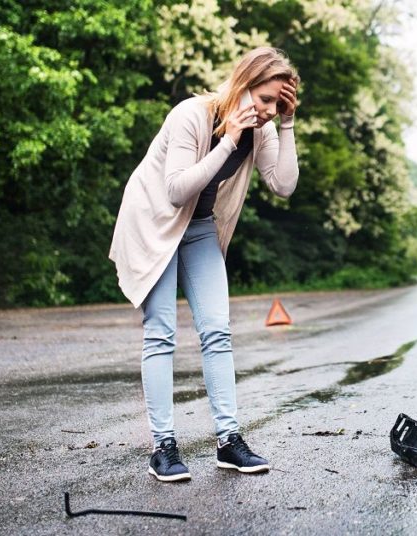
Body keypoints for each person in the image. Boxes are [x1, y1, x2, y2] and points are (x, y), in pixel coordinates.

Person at [108, 47, 299, 481]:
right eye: (265, 100)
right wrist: (229, 139)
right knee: (161, 333)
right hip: (154, 224)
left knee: (217, 329)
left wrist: (286, 123)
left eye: (278, 103)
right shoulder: (191, 114)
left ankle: (229, 441)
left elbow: (283, 185)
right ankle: (164, 447)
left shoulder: (264, 128)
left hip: (198, 229)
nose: (268, 111)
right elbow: (176, 190)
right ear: (242, 84)